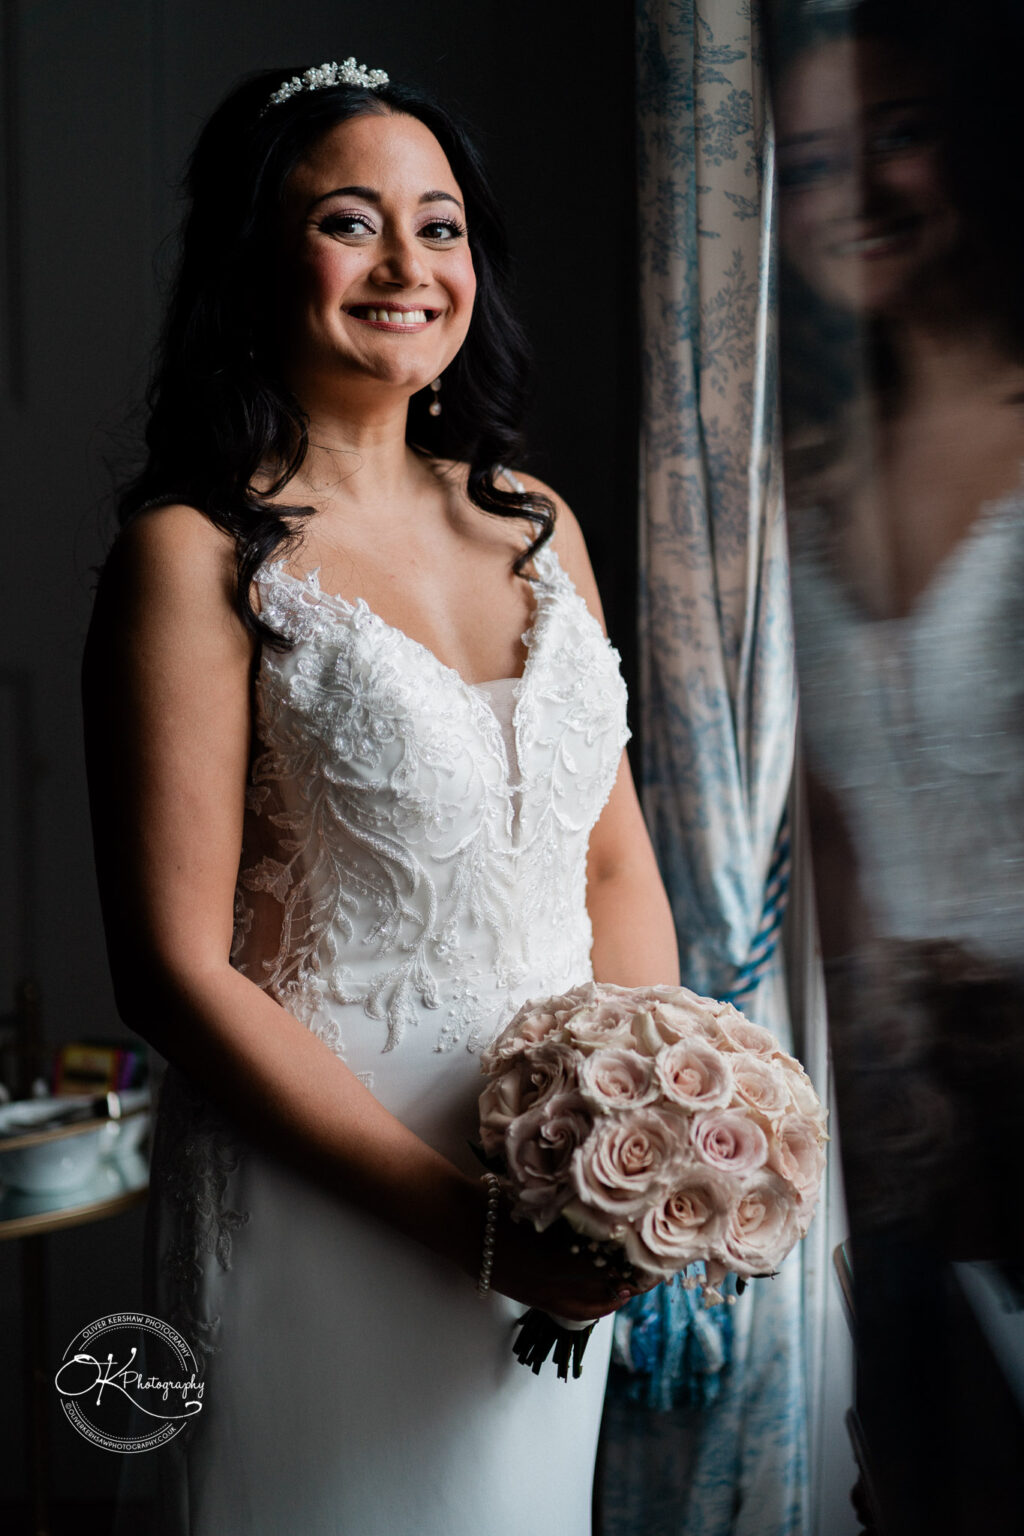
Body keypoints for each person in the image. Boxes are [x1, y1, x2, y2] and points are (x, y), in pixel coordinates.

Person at [82, 57, 677, 1536]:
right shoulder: (196, 554)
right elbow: (169, 972)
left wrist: (637, 1138)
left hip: (553, 1197)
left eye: (445, 225)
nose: (411, 267)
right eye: (354, 222)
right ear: (256, 255)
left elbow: (611, 873)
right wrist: (467, 1226)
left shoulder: (536, 524)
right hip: (333, 1208)